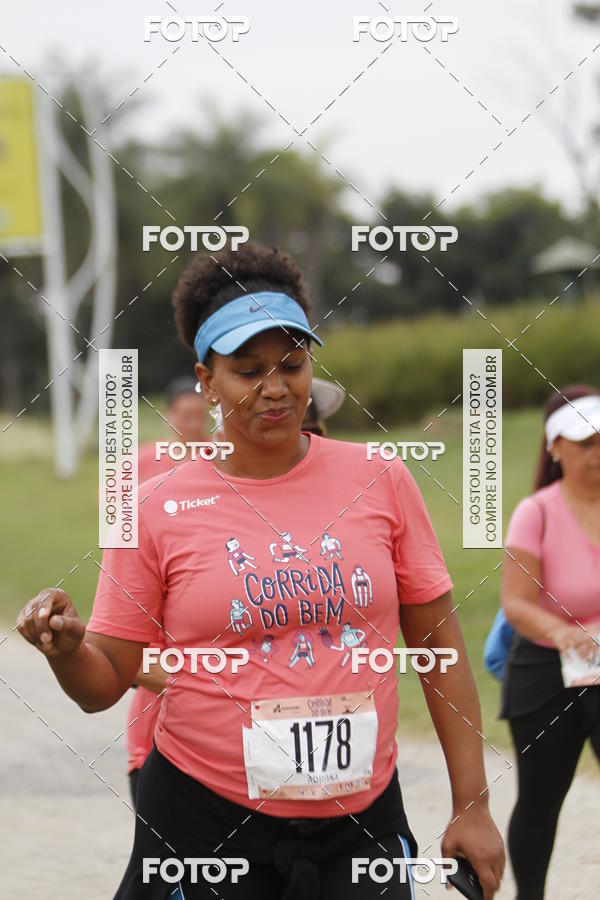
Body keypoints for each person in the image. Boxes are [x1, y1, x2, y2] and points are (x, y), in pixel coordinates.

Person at [17, 241, 504, 900]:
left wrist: (471, 805)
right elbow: (103, 684)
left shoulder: (381, 479)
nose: (276, 388)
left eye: (292, 364)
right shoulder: (156, 506)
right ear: (206, 379)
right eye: (248, 370)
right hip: (205, 820)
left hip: (359, 819)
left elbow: (440, 653)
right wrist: (68, 649)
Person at [500, 385, 600, 900]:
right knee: (540, 801)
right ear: (555, 446)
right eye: (584, 442)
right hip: (545, 675)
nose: (596, 454)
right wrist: (563, 631)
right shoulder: (535, 512)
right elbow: (516, 602)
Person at [129, 377, 208, 808]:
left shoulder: (223, 458)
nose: (193, 424)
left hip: (203, 588)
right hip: (153, 589)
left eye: (201, 416)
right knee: (154, 666)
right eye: (186, 415)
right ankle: (146, 754)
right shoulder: (145, 461)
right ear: (170, 416)